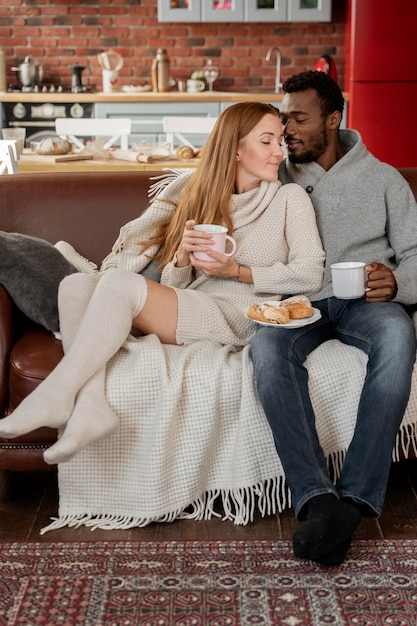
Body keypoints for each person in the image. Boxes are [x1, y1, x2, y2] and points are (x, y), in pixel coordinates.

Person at [0, 101, 325, 466]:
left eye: (279, 141)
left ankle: (58, 393)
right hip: (195, 305)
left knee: (120, 284)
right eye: (267, 142)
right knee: (74, 287)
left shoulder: (289, 198)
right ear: (235, 148)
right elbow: (178, 285)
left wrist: (238, 272)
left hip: (241, 314)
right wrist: (182, 260)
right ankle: (90, 407)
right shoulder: (201, 198)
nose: (280, 151)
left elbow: (311, 272)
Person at [250, 71, 417, 566]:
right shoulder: (276, 175)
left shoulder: (384, 179)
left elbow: (415, 254)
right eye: (283, 120)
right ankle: (319, 499)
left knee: (398, 335)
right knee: (266, 348)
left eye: (299, 119)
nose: (287, 130)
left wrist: (399, 284)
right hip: (300, 302)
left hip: (366, 301)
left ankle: (357, 498)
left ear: (333, 118)